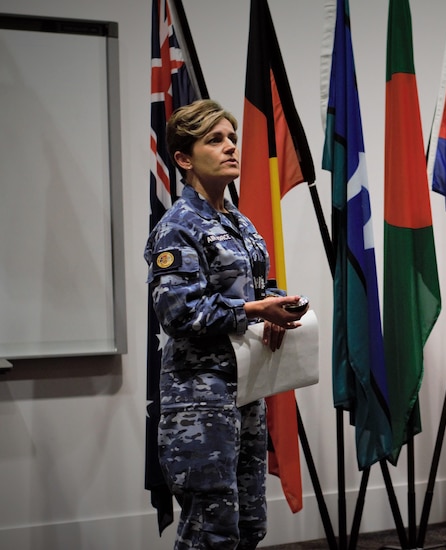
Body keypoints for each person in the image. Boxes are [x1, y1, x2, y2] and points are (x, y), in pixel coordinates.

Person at [145, 99, 307, 549]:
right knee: (210, 532)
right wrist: (256, 312)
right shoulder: (178, 227)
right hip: (198, 399)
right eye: (214, 140)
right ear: (183, 158)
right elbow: (179, 313)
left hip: (244, 390)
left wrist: (275, 302)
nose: (231, 147)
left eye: (232, 138)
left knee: (249, 526)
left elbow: (254, 287)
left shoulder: (237, 221)